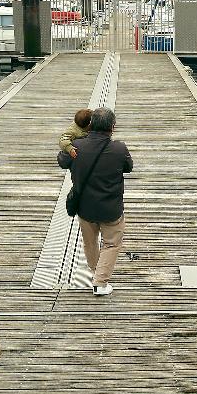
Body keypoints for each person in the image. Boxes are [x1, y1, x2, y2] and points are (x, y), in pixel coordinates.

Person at [58, 107, 133, 295]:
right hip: (111, 208)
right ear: (112, 127)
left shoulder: (77, 146)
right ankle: (100, 282)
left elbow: (61, 161)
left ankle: (95, 274)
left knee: (90, 243)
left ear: (90, 125)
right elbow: (128, 167)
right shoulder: (119, 148)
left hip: (85, 207)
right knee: (111, 244)